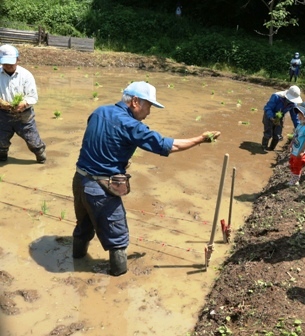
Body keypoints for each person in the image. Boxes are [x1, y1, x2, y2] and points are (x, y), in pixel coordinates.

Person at [72, 81, 221, 276]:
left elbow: (100, 140)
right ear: (135, 102)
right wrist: (201, 139)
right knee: (118, 239)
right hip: (100, 189)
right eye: (149, 106)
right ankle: (118, 281)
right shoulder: (132, 126)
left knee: (84, 226)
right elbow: (169, 146)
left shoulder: (99, 111)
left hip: (79, 180)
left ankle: (77, 261)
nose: (149, 112)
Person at [0, 44, 46, 163]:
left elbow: (33, 97)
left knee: (34, 142)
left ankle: (41, 157)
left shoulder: (26, 75)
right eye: (5, 63)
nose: (9, 65)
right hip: (2, 115)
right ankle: (2, 157)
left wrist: (24, 102)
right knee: (1, 142)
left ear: (18, 59)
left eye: (11, 62)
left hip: (24, 116)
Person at [262, 85, 302, 151]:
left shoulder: (293, 104)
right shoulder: (276, 96)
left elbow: (295, 117)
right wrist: (271, 117)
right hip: (269, 115)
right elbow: (268, 108)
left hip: (280, 117)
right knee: (268, 133)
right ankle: (264, 147)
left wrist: (299, 128)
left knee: (277, 135)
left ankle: (271, 149)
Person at [287, 102, 305, 186]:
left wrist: (302, 151)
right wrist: (290, 144)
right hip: (295, 150)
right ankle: (293, 177)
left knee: (297, 166)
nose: (299, 116)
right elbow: (295, 135)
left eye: (302, 115)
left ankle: (295, 181)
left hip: (300, 152)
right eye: (299, 114)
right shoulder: (300, 125)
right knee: (292, 164)